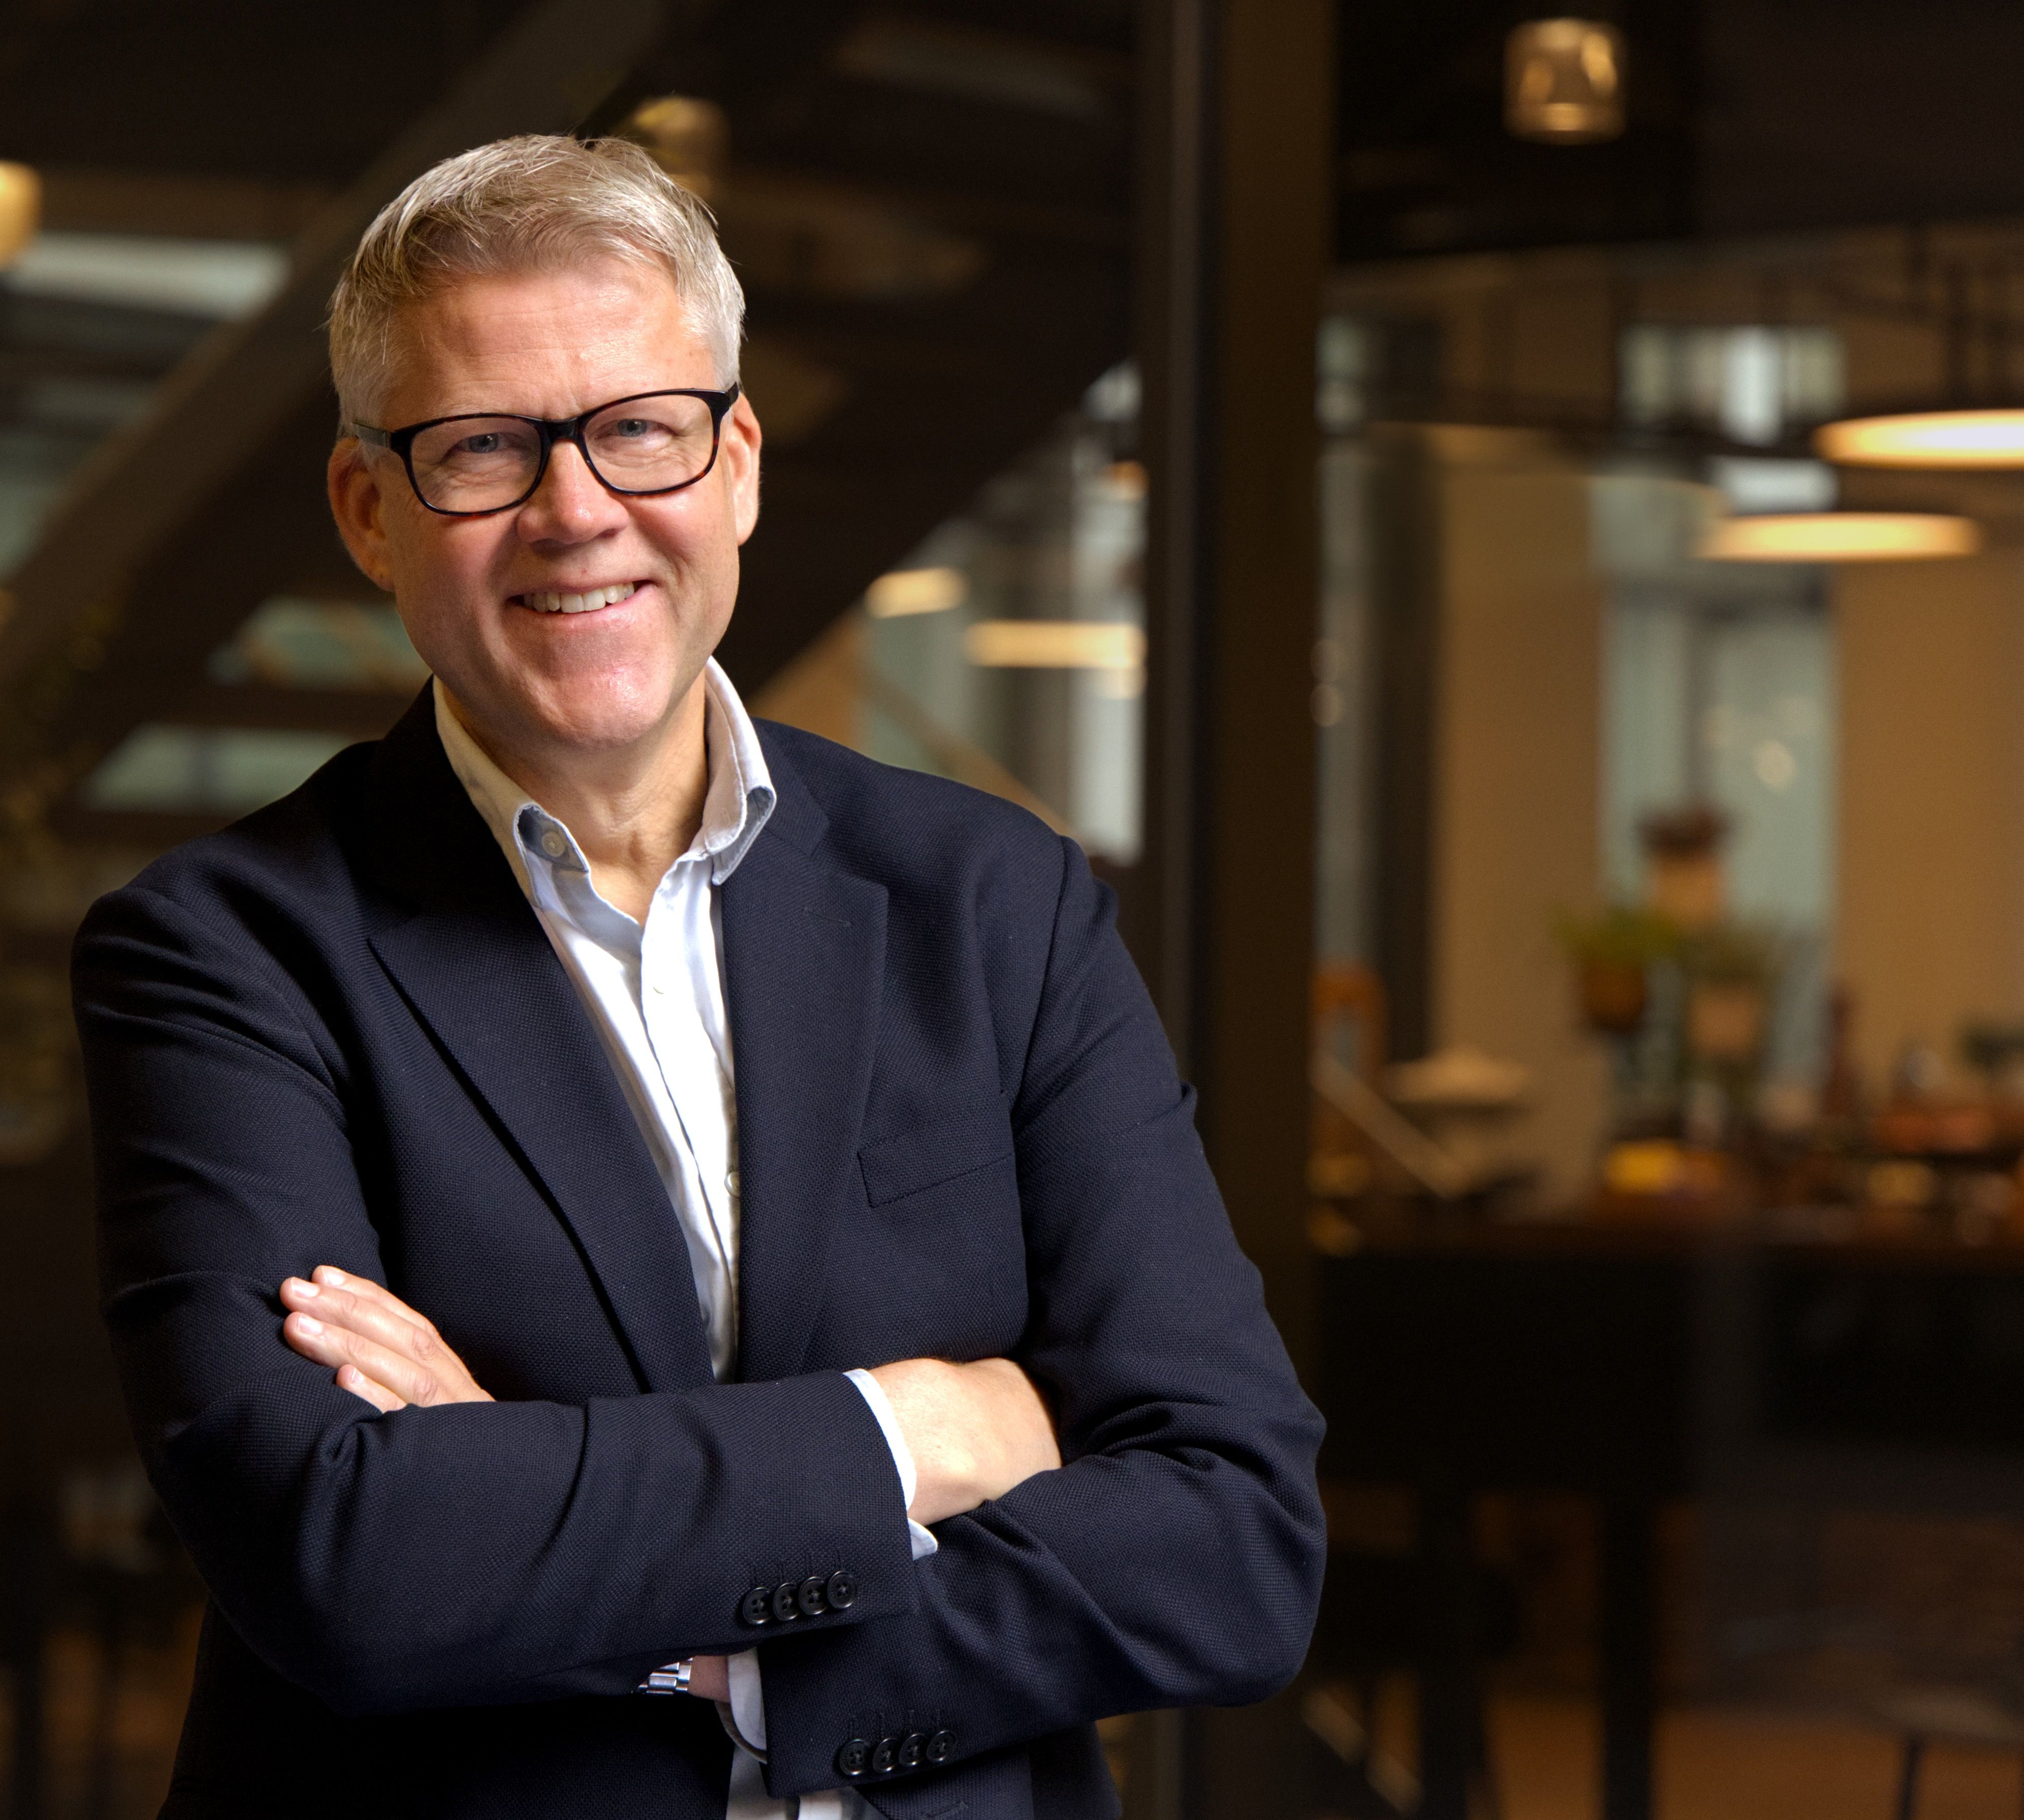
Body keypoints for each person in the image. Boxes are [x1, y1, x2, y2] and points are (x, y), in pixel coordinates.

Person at [71, 133, 1323, 1820]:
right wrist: (920, 1429)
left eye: (641, 430)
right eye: (484, 448)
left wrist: (649, 1599)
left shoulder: (995, 903)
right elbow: (350, 1558)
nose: (577, 511)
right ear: (370, 512)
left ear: (736, 464)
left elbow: (1237, 1541)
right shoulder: (226, 953)